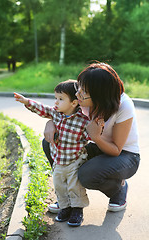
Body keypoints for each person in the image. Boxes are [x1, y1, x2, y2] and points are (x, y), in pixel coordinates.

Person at [43, 62, 140, 216]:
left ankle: (118, 189)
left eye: (83, 91)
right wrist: (50, 123)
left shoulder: (124, 106)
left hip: (125, 156)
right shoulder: (82, 99)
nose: (77, 94)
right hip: (98, 147)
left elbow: (116, 150)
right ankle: (66, 199)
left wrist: (96, 137)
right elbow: (60, 112)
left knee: (87, 175)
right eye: (79, 87)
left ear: (99, 94)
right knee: (51, 143)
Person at [14, 79, 94, 227]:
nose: (56, 102)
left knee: (74, 187)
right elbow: (41, 108)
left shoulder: (83, 121)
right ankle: (65, 208)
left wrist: (99, 128)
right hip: (58, 160)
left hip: (75, 161)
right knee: (59, 186)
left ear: (74, 103)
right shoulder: (55, 114)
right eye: (55, 98)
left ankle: (77, 210)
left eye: (61, 99)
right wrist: (26, 101)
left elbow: (92, 136)